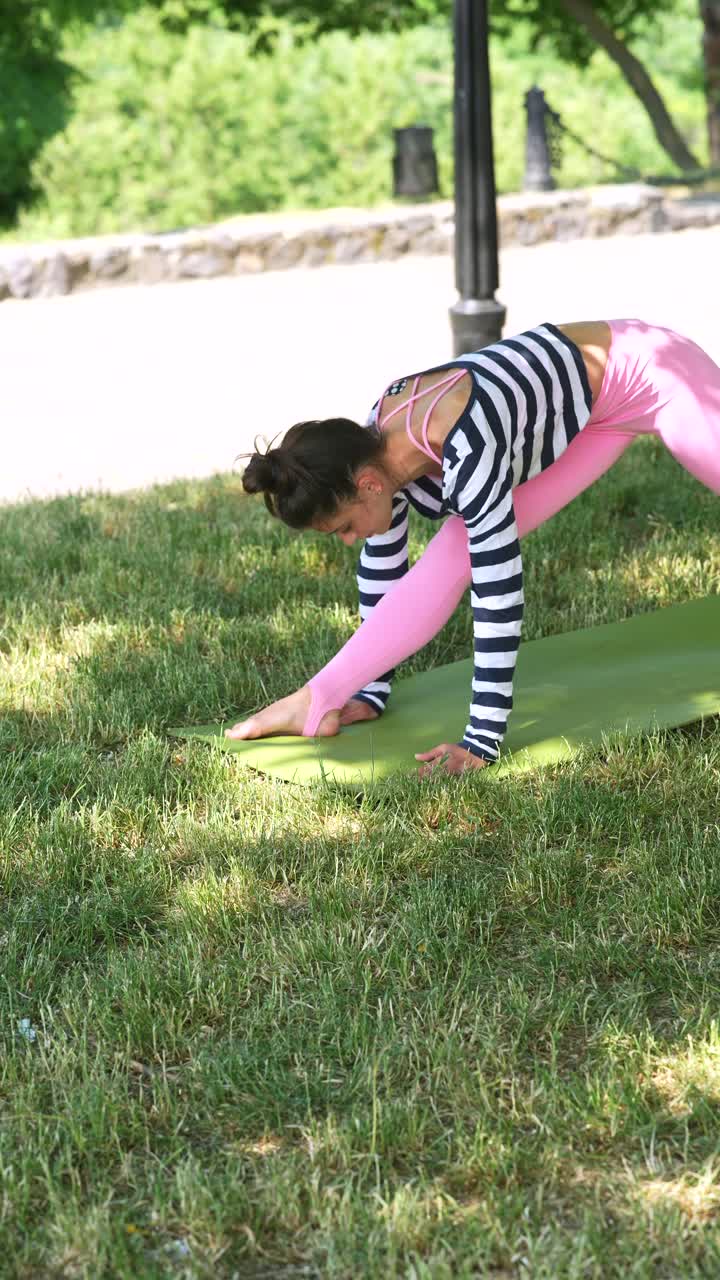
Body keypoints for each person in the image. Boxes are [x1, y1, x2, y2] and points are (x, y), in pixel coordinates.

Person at [226, 319, 720, 775]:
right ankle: (318, 698)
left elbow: (498, 594)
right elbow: (383, 567)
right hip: (590, 416)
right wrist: (368, 689)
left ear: (369, 486)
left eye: (344, 527)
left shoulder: (465, 444)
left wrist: (482, 738)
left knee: (471, 550)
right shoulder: (370, 444)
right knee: (454, 549)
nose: (351, 539)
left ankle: (316, 698)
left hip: (657, 374)